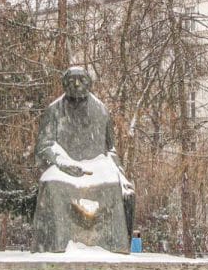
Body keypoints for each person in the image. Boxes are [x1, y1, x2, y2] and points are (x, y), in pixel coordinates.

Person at [32, 67, 135, 252]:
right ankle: (58, 248)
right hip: (63, 168)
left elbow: (110, 149)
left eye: (81, 80)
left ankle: (113, 248)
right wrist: (64, 163)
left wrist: (121, 174)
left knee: (113, 186)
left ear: (89, 83)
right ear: (65, 84)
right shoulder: (53, 110)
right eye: (72, 80)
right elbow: (44, 145)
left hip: (97, 167)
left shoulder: (101, 110)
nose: (77, 84)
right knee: (53, 186)